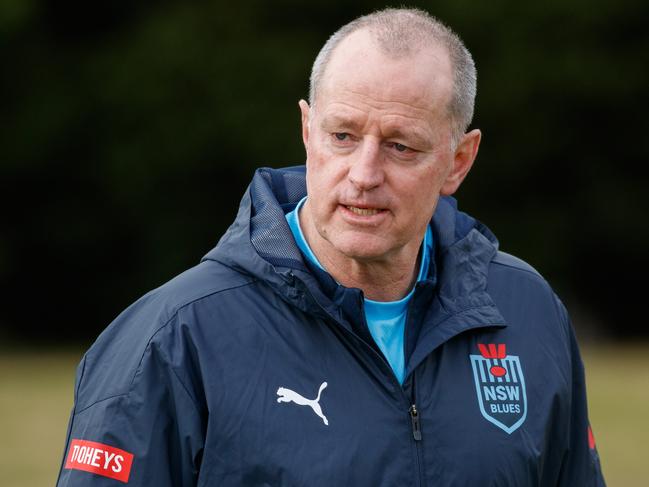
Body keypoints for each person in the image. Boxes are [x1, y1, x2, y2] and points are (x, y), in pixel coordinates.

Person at [57, 8, 606, 486]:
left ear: (458, 161)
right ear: (307, 129)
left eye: (400, 146)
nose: (364, 174)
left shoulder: (527, 314)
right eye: (342, 136)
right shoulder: (174, 338)